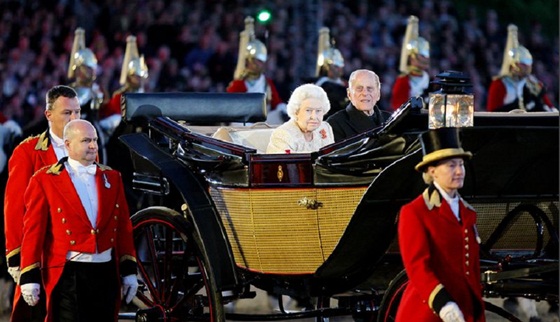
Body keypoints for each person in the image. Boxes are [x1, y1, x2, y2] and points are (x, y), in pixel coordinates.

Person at [18, 119, 138, 321]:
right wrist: (29, 276)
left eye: (95, 140)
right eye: (85, 140)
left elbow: (123, 228)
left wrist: (129, 271)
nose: (93, 146)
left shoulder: (113, 177)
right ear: (68, 144)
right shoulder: (44, 180)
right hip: (70, 274)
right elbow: (33, 231)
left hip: (106, 271)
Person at [4, 85, 81, 322]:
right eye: (67, 113)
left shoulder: (86, 147)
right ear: (48, 115)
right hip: (42, 255)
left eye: (77, 112)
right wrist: (18, 259)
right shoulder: (27, 151)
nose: (74, 118)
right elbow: (14, 207)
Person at [396, 127, 485, 322]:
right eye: (451, 165)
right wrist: (444, 304)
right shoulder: (414, 212)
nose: (460, 171)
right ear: (432, 171)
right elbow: (417, 268)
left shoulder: (467, 212)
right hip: (428, 312)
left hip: (465, 310)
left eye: (461, 164)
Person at [227, 17, 287, 124]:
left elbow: (277, 103)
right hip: (245, 123)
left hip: (264, 122)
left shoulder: (267, 83)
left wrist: (283, 110)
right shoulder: (239, 83)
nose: (260, 64)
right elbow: (231, 107)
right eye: (257, 61)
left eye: (261, 61)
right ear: (250, 61)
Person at [486, 24, 556, 112]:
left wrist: (538, 101)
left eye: (528, 65)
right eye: (523, 64)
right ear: (514, 65)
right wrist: (518, 104)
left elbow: (550, 108)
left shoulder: (533, 84)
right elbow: (492, 114)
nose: (527, 68)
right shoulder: (499, 84)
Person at [326, 69, 391, 142]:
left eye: (370, 89)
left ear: (378, 94)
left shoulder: (391, 120)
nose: (365, 93)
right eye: (359, 89)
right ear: (349, 94)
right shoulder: (334, 124)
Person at [266, 83, 334, 153]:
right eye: (308, 110)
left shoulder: (325, 128)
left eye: (318, 111)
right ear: (296, 111)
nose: (314, 117)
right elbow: (286, 163)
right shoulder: (282, 135)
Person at [390, 15, 431, 111]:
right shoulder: (403, 80)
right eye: (421, 55)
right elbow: (397, 107)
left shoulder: (428, 78)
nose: (425, 58)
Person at [314, 27, 348, 118]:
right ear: (328, 67)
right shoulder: (323, 85)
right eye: (336, 66)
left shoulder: (345, 84)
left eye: (340, 67)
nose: (339, 69)